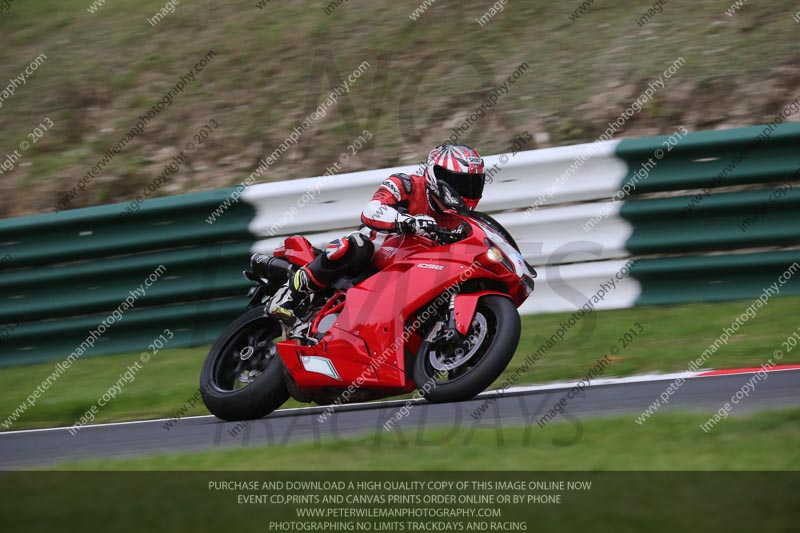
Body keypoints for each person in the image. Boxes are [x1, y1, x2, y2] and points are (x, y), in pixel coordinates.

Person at [268, 143, 486, 325]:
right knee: (357, 247)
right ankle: (290, 293)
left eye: (471, 185)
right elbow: (372, 210)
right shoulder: (407, 184)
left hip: (413, 269)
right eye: (459, 183)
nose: (465, 191)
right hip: (378, 250)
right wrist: (406, 221)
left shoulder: (458, 219)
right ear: (436, 174)